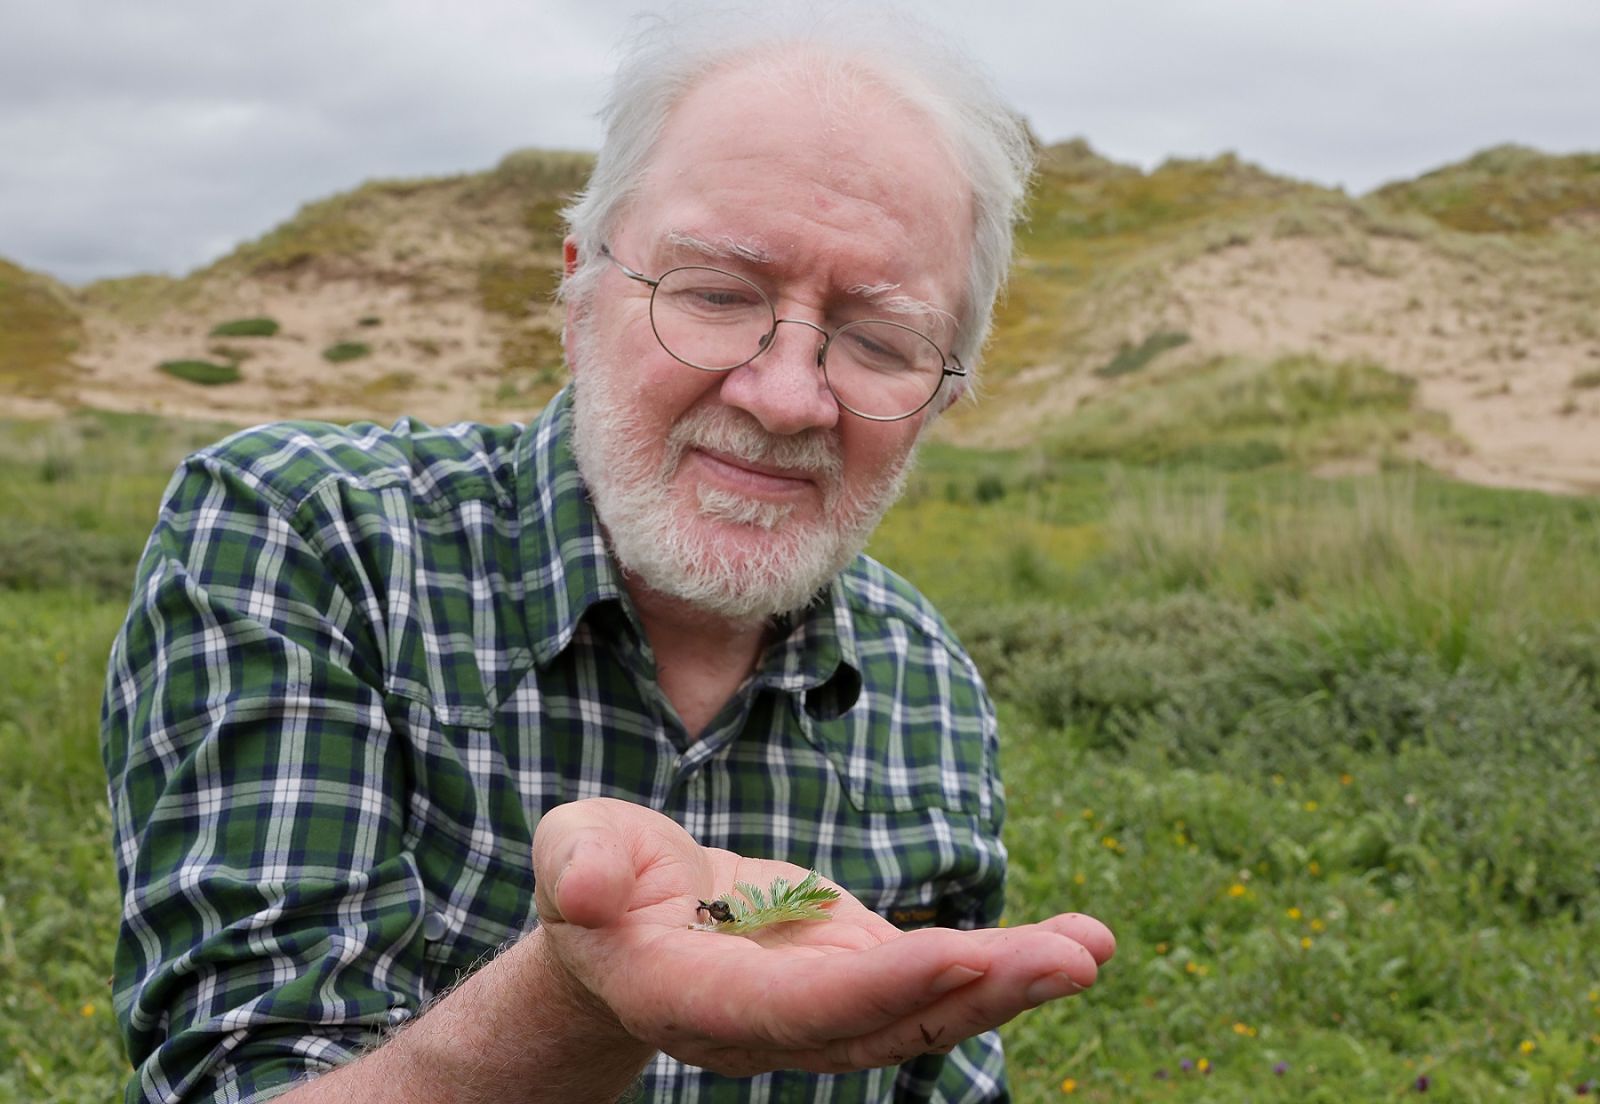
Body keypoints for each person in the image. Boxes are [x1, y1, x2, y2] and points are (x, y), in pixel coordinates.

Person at [100, 7, 1115, 1104]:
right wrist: (574, 1001)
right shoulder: (309, 541)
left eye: (880, 342)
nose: (784, 398)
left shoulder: (931, 686)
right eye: (717, 294)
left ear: (943, 394)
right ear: (580, 291)